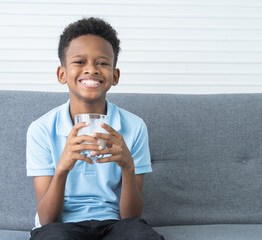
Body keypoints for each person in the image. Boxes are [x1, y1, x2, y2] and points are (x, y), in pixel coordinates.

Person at [26, 17, 165, 240]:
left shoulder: (134, 126)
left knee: (143, 235)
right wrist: (61, 169)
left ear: (115, 75)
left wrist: (128, 167)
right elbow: (47, 219)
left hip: (114, 224)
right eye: (80, 62)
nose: (91, 70)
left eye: (101, 63)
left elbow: (131, 216)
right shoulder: (41, 129)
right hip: (61, 227)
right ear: (62, 74)